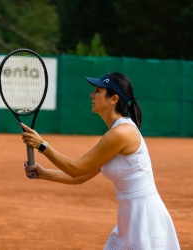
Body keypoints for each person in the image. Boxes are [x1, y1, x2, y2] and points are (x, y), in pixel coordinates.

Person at [20, 72, 180, 249]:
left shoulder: (121, 134)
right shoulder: (116, 132)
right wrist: (44, 173)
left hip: (146, 218)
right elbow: (81, 176)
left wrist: (42, 145)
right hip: (130, 217)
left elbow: (76, 169)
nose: (91, 95)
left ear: (113, 99)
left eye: (97, 91)